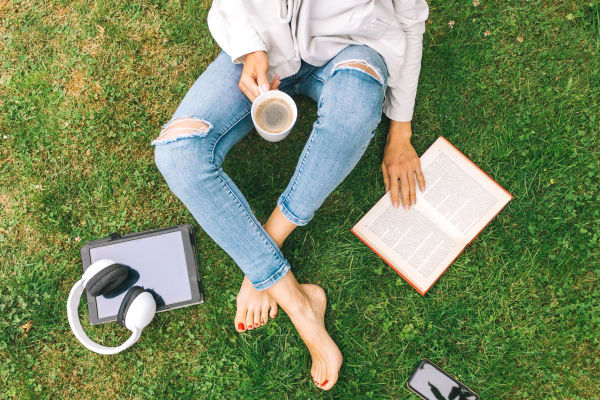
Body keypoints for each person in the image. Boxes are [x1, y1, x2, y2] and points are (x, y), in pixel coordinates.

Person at [153, 0, 429, 391]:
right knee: (177, 152)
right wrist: (252, 48)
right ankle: (299, 304)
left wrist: (401, 132)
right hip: (262, 48)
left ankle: (267, 249)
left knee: (352, 115)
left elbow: (411, 20)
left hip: (352, 49)